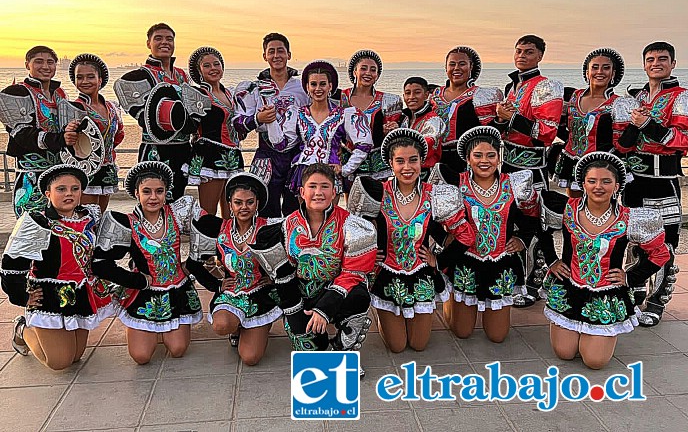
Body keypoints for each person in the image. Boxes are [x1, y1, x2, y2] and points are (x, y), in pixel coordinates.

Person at [348, 129, 475, 353]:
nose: (407, 167)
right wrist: (370, 255)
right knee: (397, 347)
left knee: (418, 345)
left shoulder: (434, 194)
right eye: (400, 161)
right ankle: (384, 313)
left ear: (421, 161)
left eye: (413, 160)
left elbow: (466, 235)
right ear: (390, 163)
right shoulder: (377, 193)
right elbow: (354, 232)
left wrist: (439, 259)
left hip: (421, 273)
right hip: (386, 273)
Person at [543, 152, 671, 369]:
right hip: (568, 289)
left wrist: (630, 277)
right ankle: (584, 333)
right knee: (564, 353)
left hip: (606, 294)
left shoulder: (629, 218)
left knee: (594, 361)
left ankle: (597, 335)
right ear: (583, 183)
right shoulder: (566, 208)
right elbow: (542, 230)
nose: (598, 187)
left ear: (617, 185)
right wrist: (552, 261)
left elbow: (660, 254)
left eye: (606, 181)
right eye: (592, 181)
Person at [249, 164, 376, 366]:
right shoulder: (285, 226)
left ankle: (344, 347)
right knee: (312, 354)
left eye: (325, 186)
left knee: (359, 295)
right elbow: (283, 278)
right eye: (312, 186)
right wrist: (295, 311)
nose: (318, 192)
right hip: (300, 294)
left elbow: (352, 273)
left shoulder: (351, 225)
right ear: (302, 192)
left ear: (334, 191)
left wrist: (324, 309)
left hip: (336, 289)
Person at [613, 41, 688, 326]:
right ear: (644, 64)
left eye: (663, 59)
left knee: (665, 244)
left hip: (663, 181)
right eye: (651, 59)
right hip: (632, 181)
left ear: (673, 63)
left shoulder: (683, 97)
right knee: (631, 239)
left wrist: (647, 125)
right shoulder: (635, 97)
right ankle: (633, 293)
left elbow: (685, 140)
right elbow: (622, 144)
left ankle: (657, 301)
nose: (656, 63)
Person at [430, 126, 539, 343]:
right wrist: (444, 239)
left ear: (499, 157)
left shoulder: (515, 184)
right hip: (465, 262)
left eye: (491, 155)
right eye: (477, 155)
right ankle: (452, 299)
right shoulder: (454, 183)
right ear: (468, 158)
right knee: (462, 332)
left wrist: (522, 239)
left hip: (501, 263)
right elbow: (428, 217)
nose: (484, 161)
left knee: (498, 337)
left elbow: (534, 217)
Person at [1, 165, 114, 369]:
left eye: (75, 189)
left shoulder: (90, 217)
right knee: (59, 362)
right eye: (61, 189)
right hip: (50, 296)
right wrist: (22, 295)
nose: (69, 193)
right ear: (48, 193)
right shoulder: (37, 222)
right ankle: (23, 330)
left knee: (76, 357)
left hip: (79, 294)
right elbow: (11, 265)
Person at [93, 162, 203, 364]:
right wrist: (135, 280)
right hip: (144, 294)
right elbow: (100, 263)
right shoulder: (125, 223)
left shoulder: (178, 214)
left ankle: (164, 330)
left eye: (159, 191)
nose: (153, 197)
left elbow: (209, 234)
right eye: (147, 191)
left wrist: (191, 266)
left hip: (176, 290)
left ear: (166, 192)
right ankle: (151, 329)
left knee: (177, 349)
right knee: (141, 356)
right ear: (136, 193)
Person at [493, 35, 564, 307]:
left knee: (537, 225)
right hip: (507, 165)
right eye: (519, 51)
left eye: (529, 51)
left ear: (540, 56)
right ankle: (515, 278)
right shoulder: (511, 87)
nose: (522, 55)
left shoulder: (546, 86)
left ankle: (534, 282)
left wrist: (510, 117)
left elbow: (545, 135)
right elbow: (504, 132)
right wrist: (501, 119)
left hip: (533, 166)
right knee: (510, 221)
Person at [186, 172, 281, 365]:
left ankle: (260, 326)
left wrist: (274, 279)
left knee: (250, 358)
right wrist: (216, 285)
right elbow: (192, 264)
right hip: (232, 293)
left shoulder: (269, 229)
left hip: (260, 294)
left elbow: (290, 258)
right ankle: (238, 327)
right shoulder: (218, 229)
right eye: (238, 202)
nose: (243, 208)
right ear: (229, 204)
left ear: (257, 203)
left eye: (249, 202)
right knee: (221, 325)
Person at [265, 60, 373, 196]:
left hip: (331, 173)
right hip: (304, 173)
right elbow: (281, 145)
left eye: (323, 84)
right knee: (306, 216)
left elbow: (364, 144)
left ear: (330, 86)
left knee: (329, 217)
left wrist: (346, 169)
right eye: (313, 84)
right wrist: (271, 121)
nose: (318, 89)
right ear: (307, 87)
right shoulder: (297, 113)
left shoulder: (344, 114)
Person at [233, 33, 310, 218]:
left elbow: (318, 114)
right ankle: (269, 246)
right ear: (264, 56)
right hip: (266, 155)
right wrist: (258, 118)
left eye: (281, 51)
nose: (276, 55)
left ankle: (296, 245)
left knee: (297, 210)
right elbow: (238, 124)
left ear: (289, 54)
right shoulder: (254, 88)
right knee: (265, 208)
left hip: (297, 156)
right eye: (271, 51)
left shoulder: (303, 87)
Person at [116, 23, 195, 200]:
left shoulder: (182, 75)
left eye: (169, 39)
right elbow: (143, 117)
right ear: (148, 43)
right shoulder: (139, 75)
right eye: (158, 38)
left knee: (177, 198)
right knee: (151, 199)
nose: (164, 42)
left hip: (183, 148)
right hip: (155, 149)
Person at [0, 46, 79, 217]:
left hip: (60, 172)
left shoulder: (59, 94)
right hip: (31, 171)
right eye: (39, 61)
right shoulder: (14, 93)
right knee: (30, 226)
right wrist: (60, 139)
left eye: (50, 62)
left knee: (60, 224)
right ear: (27, 64)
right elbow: (21, 134)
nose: (45, 66)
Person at [553, 49, 624, 197]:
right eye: (595, 67)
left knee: (601, 210)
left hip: (603, 166)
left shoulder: (619, 104)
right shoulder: (571, 97)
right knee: (575, 207)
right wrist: (571, 144)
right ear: (586, 72)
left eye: (606, 68)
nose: (600, 72)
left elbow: (623, 143)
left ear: (613, 73)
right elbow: (556, 127)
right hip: (572, 162)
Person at [184, 47, 246, 217]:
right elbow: (189, 125)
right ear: (199, 71)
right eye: (207, 65)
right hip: (210, 156)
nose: (213, 68)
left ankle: (227, 242)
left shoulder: (229, 93)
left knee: (232, 211)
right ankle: (207, 242)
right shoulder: (198, 94)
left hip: (233, 155)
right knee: (208, 212)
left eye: (216, 64)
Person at [67, 54, 125, 213]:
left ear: (100, 80)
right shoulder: (74, 108)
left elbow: (119, 135)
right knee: (87, 217)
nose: (85, 81)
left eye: (90, 76)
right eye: (80, 77)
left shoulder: (112, 107)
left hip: (107, 169)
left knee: (100, 216)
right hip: (86, 171)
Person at [430, 46, 502, 171]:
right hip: (437, 161)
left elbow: (491, 131)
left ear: (471, 66)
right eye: (452, 64)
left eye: (462, 64)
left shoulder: (481, 96)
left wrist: (502, 119)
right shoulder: (434, 95)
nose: (456, 68)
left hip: (469, 161)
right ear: (446, 67)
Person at [340, 50, 402, 186]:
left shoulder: (388, 101)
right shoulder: (340, 98)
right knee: (349, 202)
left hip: (375, 163)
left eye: (373, 70)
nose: (368, 73)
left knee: (375, 201)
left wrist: (391, 130)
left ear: (377, 75)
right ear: (354, 71)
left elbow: (395, 134)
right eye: (363, 68)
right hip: (346, 158)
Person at [399, 77, 445, 179]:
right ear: (403, 96)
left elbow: (426, 144)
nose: (411, 97)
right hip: (406, 172)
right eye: (407, 93)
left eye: (417, 92)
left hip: (426, 175)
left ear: (426, 95)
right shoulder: (403, 119)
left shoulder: (433, 120)